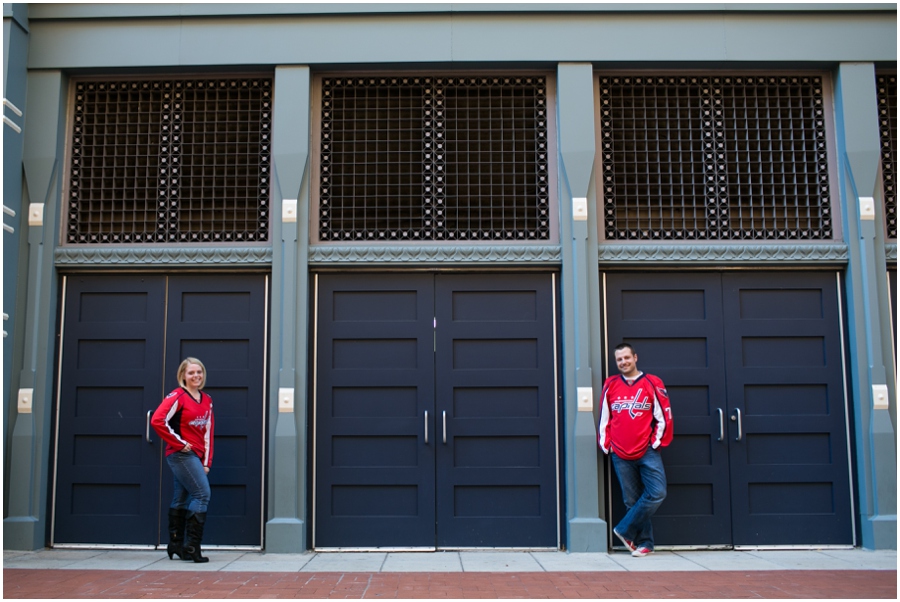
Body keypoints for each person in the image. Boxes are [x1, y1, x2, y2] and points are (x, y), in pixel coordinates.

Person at [597, 343, 673, 557]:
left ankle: (623, 530)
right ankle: (644, 543)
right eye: (619, 359)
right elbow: (605, 417)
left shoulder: (652, 382)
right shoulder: (611, 384)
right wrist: (607, 445)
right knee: (632, 501)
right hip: (620, 452)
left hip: (647, 451)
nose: (623, 362)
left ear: (635, 357)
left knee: (657, 492)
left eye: (627, 358)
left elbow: (663, 416)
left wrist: (656, 443)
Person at [151, 357, 215, 563]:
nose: (196, 375)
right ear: (183, 376)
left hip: (196, 456)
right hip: (181, 454)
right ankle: (192, 547)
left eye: (199, 372)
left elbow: (208, 432)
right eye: (191, 373)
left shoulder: (207, 399)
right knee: (202, 494)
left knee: (181, 497)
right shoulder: (177, 396)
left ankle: (176, 544)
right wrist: (179, 443)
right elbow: (157, 420)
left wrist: (207, 462)